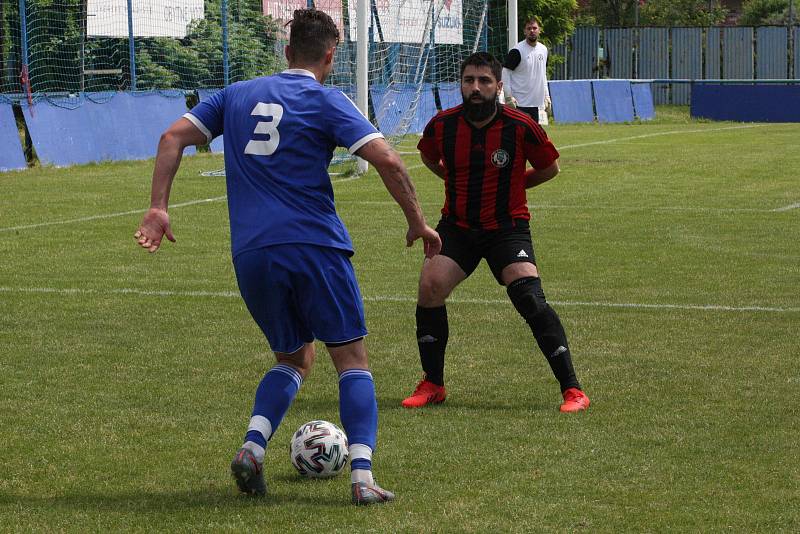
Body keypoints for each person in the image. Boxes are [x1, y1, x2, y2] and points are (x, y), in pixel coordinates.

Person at [134, 8, 440, 505]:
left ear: (286, 50)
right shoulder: (326, 100)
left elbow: (172, 138)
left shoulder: (235, 95)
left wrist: (158, 207)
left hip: (252, 253)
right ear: (330, 56)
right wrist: (416, 222)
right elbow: (389, 161)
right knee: (351, 358)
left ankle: (253, 449)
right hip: (315, 245)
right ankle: (362, 478)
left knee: (295, 356)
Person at [401, 52, 590, 413]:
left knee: (529, 296)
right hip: (458, 227)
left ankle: (573, 390)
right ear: (461, 84)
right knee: (429, 286)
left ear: (499, 86)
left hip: (507, 227)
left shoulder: (520, 126)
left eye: (484, 81)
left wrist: (514, 187)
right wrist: (455, 181)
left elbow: (550, 168)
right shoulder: (442, 125)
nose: (475, 87)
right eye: (469, 80)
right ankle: (432, 383)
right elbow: (428, 157)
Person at [501, 15, 551, 124]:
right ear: (524, 31)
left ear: (539, 30)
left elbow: (543, 75)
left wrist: (547, 96)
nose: (532, 31)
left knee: (531, 138)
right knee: (517, 137)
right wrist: (508, 96)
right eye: (529, 28)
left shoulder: (544, 50)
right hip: (518, 103)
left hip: (535, 104)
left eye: (534, 28)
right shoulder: (517, 51)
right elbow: (505, 72)